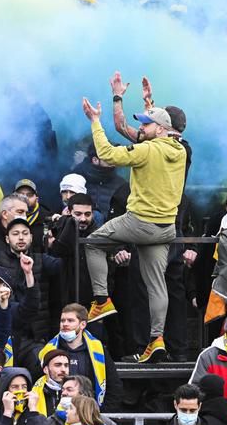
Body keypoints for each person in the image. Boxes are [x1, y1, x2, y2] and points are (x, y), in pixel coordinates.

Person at [79, 99, 186, 363]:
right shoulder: (180, 150)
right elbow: (152, 137)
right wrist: (149, 104)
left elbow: (107, 154)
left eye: (147, 124)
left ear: (160, 129)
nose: (141, 128)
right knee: (156, 284)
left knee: (93, 243)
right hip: (166, 228)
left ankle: (101, 301)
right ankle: (156, 339)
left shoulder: (148, 150)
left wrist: (95, 121)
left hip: (140, 222)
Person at [155, 383, 225, 425]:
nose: (188, 414)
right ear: (175, 405)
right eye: (183, 410)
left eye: (192, 410)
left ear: (199, 406)